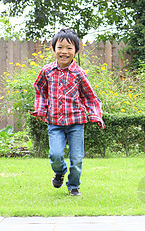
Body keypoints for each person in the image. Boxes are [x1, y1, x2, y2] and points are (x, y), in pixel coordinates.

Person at [31, 28, 105, 196]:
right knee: (55, 154)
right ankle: (59, 171)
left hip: (76, 123)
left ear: (76, 51)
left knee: (77, 158)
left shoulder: (79, 73)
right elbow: (40, 89)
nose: (64, 52)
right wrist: (40, 109)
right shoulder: (47, 71)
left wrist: (95, 115)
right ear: (54, 49)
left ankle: (74, 186)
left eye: (69, 48)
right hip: (55, 122)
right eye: (60, 47)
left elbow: (90, 96)